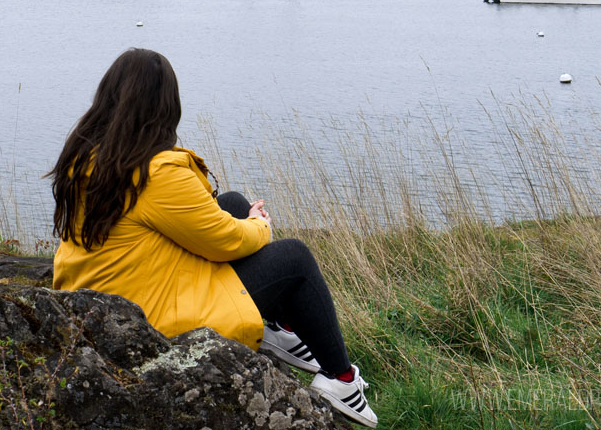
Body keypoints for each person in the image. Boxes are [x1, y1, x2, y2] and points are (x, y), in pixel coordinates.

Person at [50, 48, 377, 427]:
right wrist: (261, 225)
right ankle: (341, 379)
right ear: (166, 106)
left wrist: (240, 216)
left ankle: (277, 329)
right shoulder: (154, 173)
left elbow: (197, 220)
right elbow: (224, 242)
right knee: (294, 258)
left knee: (231, 203)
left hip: (105, 294)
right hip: (150, 316)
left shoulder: (90, 156)